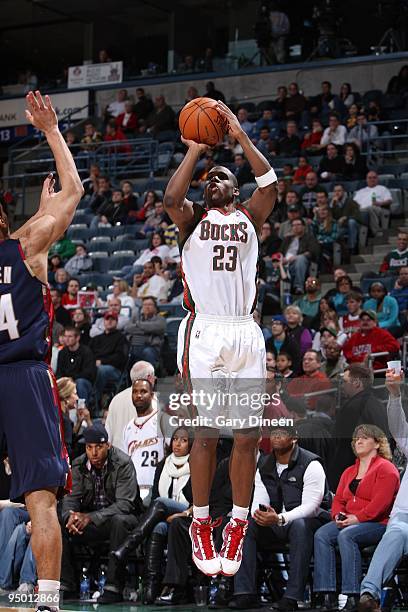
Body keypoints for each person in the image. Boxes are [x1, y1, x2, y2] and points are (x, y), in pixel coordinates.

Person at [163, 98, 277, 576]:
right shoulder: (191, 220)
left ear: (235, 190)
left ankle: (237, 522)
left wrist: (240, 137)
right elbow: (171, 199)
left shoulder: (251, 217)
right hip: (205, 328)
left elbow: (269, 181)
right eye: (210, 178)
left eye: (222, 177)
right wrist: (195, 149)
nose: (214, 180)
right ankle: (202, 520)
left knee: (248, 434)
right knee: (208, 431)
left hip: (245, 331)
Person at [0, 90, 84, 612]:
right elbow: (72, 190)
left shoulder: (27, 242)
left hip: (23, 374)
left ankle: (48, 598)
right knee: (40, 498)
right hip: (22, 377)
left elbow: (71, 192)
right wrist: (51, 132)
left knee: (41, 499)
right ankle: (48, 600)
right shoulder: (26, 243)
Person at [229, 425, 329, 611]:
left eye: (282, 434)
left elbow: (311, 507)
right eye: (274, 433)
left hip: (310, 522)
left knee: (299, 525)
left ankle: (292, 596)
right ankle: (245, 593)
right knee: (244, 525)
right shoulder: (264, 464)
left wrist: (280, 518)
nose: (276, 437)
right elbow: (259, 499)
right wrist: (260, 515)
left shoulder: (311, 463)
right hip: (276, 521)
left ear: (294, 438)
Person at [314, 424, 399, 612]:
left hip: (378, 523)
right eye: (356, 439)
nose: (358, 441)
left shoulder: (386, 469)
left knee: (347, 536)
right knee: (322, 535)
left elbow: (380, 505)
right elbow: (338, 501)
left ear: (377, 444)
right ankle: (326, 594)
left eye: (364, 438)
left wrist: (356, 518)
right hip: (349, 520)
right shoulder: (349, 471)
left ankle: (351, 595)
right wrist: (338, 516)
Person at [60, 424, 143, 604]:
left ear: (108, 446)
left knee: (119, 521)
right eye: (89, 447)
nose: (94, 452)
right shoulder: (79, 464)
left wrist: (90, 517)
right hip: (93, 522)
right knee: (60, 523)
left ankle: (113, 587)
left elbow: (125, 504)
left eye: (99, 447)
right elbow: (70, 498)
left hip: (124, 520)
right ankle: (67, 584)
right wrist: (71, 516)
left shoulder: (123, 462)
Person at [112, 427, 193, 603]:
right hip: (165, 517)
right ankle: (151, 588)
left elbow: (200, 500)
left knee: (160, 503)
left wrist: (182, 514)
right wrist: (167, 516)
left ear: (191, 444)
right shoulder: (163, 465)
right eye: (175, 439)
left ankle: (128, 545)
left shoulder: (197, 465)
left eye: (184, 440)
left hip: (188, 514)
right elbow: (156, 493)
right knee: (157, 527)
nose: (177, 443)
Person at [358, 369, 408, 612]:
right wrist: (395, 395)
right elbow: (399, 430)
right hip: (404, 519)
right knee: (396, 532)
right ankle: (369, 596)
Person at [328, 364, 391, 490]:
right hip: (376, 467)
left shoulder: (353, 407)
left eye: (345, 382)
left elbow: (341, 445)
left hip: (355, 474)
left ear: (356, 383)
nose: (342, 386)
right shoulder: (378, 403)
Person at [122, 379, 166, 502]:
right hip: (134, 489)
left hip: (156, 488)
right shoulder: (128, 427)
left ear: (152, 395)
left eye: (143, 391)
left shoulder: (162, 419)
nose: (138, 395)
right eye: (135, 392)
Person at [105, 361, 158, 448]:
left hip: (118, 456)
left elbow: (108, 435)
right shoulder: (153, 400)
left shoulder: (116, 399)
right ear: (149, 378)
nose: (155, 379)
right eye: (153, 376)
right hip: (142, 453)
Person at [56, 327, 96, 404]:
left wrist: (72, 378)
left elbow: (89, 373)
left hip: (83, 381)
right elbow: (59, 371)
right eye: (65, 336)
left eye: (70, 336)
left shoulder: (86, 352)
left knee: (80, 383)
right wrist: (64, 380)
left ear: (77, 338)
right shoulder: (62, 352)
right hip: (67, 380)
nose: (66, 339)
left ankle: (81, 409)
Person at [280, 219, 320, 294]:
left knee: (300, 259)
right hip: (285, 264)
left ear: (304, 227)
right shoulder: (287, 239)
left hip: (300, 263)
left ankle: (298, 287)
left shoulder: (310, 238)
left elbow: (313, 252)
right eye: (294, 225)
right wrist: (282, 258)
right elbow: (280, 252)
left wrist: (296, 257)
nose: (296, 227)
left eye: (298, 225)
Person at [125, 296, 166, 367]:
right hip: (135, 345)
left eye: (150, 304)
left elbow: (157, 327)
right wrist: (147, 330)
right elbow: (127, 328)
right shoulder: (136, 317)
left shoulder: (160, 319)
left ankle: (151, 375)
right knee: (126, 352)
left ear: (155, 307)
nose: (147, 307)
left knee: (147, 352)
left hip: (151, 347)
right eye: (145, 305)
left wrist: (138, 325)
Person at [353, 171, 392, 236]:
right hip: (362, 210)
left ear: (377, 179)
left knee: (369, 208)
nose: (372, 179)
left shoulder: (382, 188)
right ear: (366, 179)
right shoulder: (361, 191)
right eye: (370, 178)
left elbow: (389, 201)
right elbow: (354, 203)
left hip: (378, 208)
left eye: (374, 177)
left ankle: (376, 231)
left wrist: (379, 203)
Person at [330, 183, 362, 254]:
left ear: (343, 192)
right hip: (340, 226)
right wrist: (332, 205)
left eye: (339, 191)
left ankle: (352, 248)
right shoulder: (332, 203)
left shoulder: (351, 202)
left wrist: (346, 217)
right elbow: (329, 217)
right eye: (335, 191)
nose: (337, 193)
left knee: (351, 222)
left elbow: (357, 216)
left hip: (351, 225)